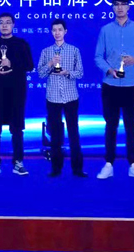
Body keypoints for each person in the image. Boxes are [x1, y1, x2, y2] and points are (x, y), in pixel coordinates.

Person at [94, 0, 134, 180]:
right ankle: (108, 164)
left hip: (132, 84)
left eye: (123, 4)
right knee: (111, 125)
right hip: (110, 85)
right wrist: (109, 70)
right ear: (112, 7)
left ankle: (133, 165)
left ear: (128, 7)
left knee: (131, 126)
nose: (119, 7)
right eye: (116, 4)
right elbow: (98, 57)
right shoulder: (105, 30)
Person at [0, 13, 34, 176]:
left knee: (17, 129)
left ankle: (18, 162)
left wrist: (12, 63)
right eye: (1, 22)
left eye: (8, 22)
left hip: (16, 93)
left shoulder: (21, 44)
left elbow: (29, 65)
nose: (4, 25)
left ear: (13, 25)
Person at [37, 19, 86, 178]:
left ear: (65, 31)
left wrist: (67, 73)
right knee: (55, 135)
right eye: (54, 30)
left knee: (73, 133)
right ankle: (56, 168)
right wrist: (51, 63)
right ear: (51, 32)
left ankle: (77, 169)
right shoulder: (46, 52)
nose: (57, 33)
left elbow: (80, 73)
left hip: (71, 97)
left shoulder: (74, 50)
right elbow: (40, 74)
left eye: (60, 29)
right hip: (53, 98)